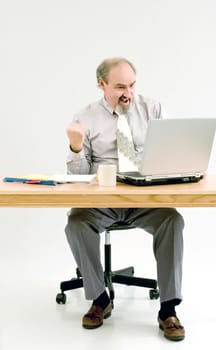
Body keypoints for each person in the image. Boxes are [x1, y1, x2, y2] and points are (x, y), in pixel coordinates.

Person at [65, 57, 185, 341]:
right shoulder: (86, 117)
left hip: (144, 199)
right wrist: (76, 147)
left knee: (172, 220)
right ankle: (99, 299)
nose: (127, 93)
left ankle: (168, 309)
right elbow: (78, 176)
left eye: (131, 85)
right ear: (101, 83)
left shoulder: (152, 109)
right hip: (103, 200)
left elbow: (171, 153)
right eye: (119, 86)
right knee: (76, 222)